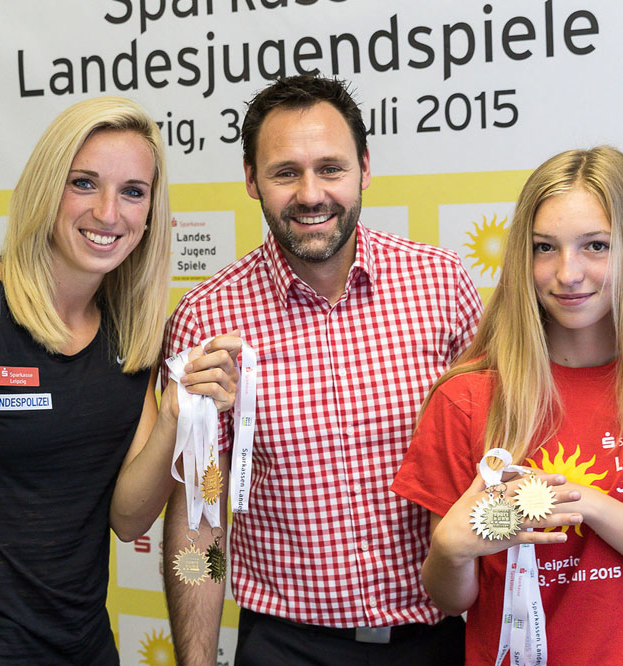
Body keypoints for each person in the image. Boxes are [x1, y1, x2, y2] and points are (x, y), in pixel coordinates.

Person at [0, 96, 241, 666]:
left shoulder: (129, 334)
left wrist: (174, 416)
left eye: (133, 191)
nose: (109, 212)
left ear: (151, 211)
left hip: (84, 650)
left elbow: (129, 519)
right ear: (46, 188)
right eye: (84, 183)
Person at [391, 146, 623, 665]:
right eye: (544, 247)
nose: (567, 273)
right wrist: (451, 550)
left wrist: (592, 505)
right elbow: (452, 597)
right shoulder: (466, 396)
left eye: (595, 245)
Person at [161, 75, 483, 665]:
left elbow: (493, 469)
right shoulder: (206, 319)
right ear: (251, 180)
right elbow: (200, 518)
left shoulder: (442, 286)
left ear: (364, 168)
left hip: (437, 643)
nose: (311, 194)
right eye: (286, 172)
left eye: (330, 168)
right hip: (286, 648)